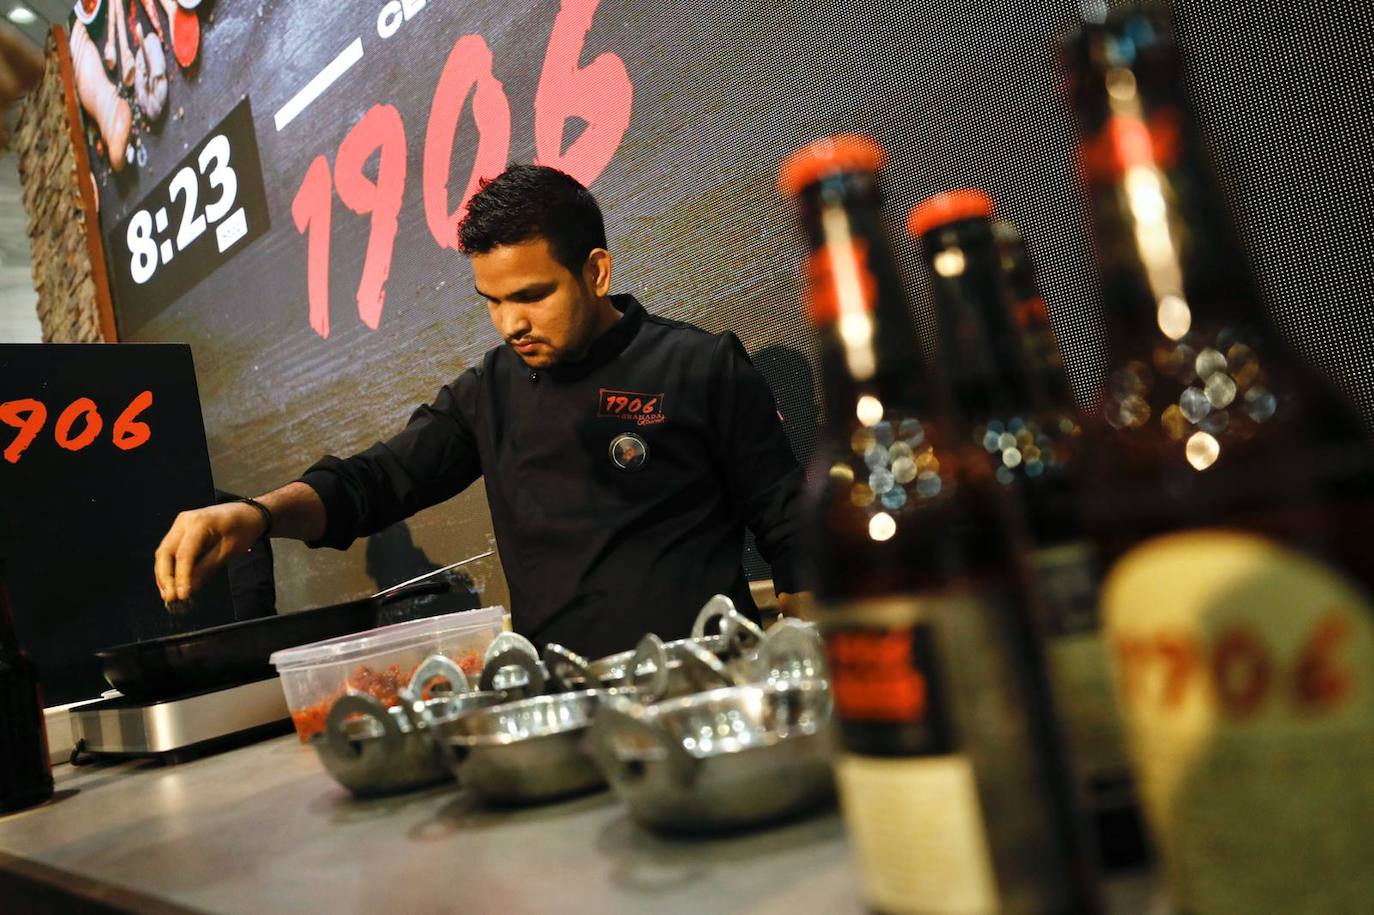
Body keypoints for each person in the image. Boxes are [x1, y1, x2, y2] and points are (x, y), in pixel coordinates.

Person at [154, 165, 808, 658]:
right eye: (491, 301)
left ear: (597, 271)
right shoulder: (489, 391)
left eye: (531, 295)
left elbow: (794, 535)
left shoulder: (700, 366)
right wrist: (257, 515)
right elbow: (374, 483)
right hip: (562, 706)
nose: (510, 323)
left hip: (703, 680)